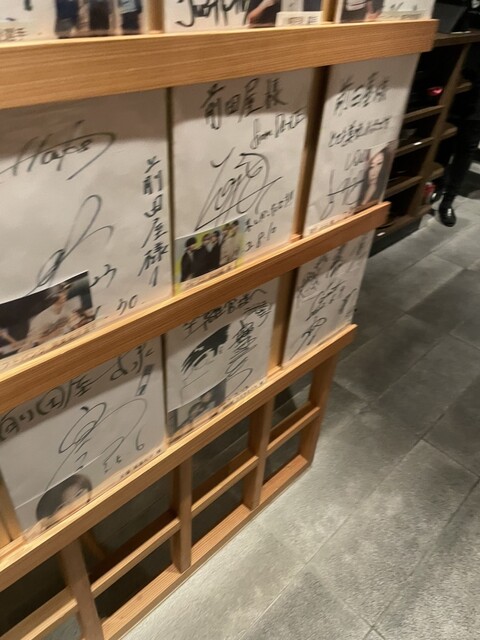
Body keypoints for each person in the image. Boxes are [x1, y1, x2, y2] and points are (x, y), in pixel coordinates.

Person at [437, 45, 480, 227]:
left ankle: (448, 200)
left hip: (476, 104)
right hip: (454, 87)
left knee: (466, 150)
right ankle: (437, 187)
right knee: (443, 144)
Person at [23, 284, 81, 349]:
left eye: (65, 291)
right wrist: (56, 333)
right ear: (52, 296)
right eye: (60, 292)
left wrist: (74, 326)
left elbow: (73, 327)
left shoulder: (67, 308)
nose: (65, 294)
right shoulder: (41, 318)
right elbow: (31, 345)